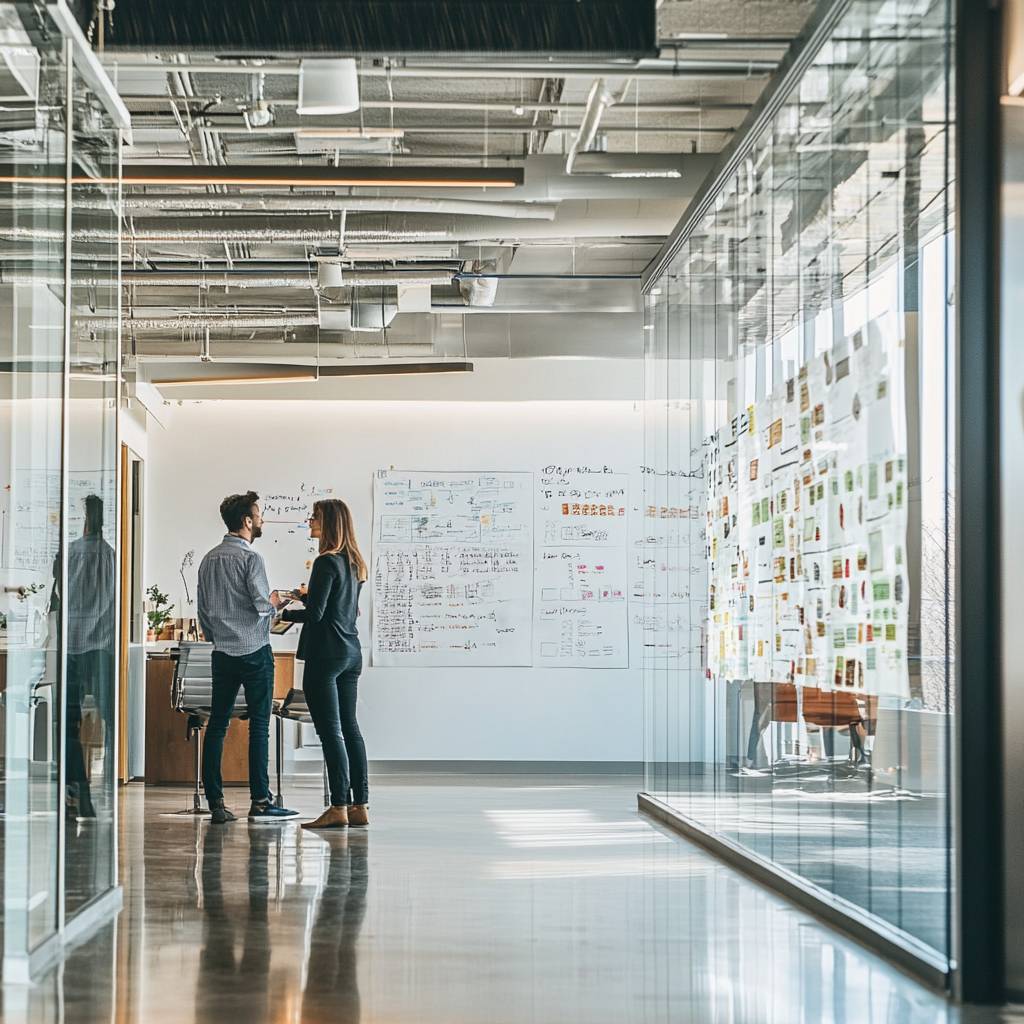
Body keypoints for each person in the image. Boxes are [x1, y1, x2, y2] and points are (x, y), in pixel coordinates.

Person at [197, 491, 297, 824]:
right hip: (254, 651)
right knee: (259, 727)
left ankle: (216, 803)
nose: (262, 520)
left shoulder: (209, 559)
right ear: (247, 521)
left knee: (217, 727)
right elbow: (260, 605)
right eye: (259, 515)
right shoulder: (251, 559)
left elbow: (204, 612)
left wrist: (219, 638)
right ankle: (260, 801)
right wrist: (279, 602)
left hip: (223, 653)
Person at [279, 499, 369, 830]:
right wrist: (305, 595)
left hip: (325, 655)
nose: (309, 522)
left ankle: (337, 807)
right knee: (350, 728)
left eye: (314, 518)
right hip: (350, 653)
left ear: (329, 523)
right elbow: (339, 607)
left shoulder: (325, 561)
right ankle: (360, 804)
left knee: (330, 731)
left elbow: (317, 615)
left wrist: (283, 613)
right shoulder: (355, 562)